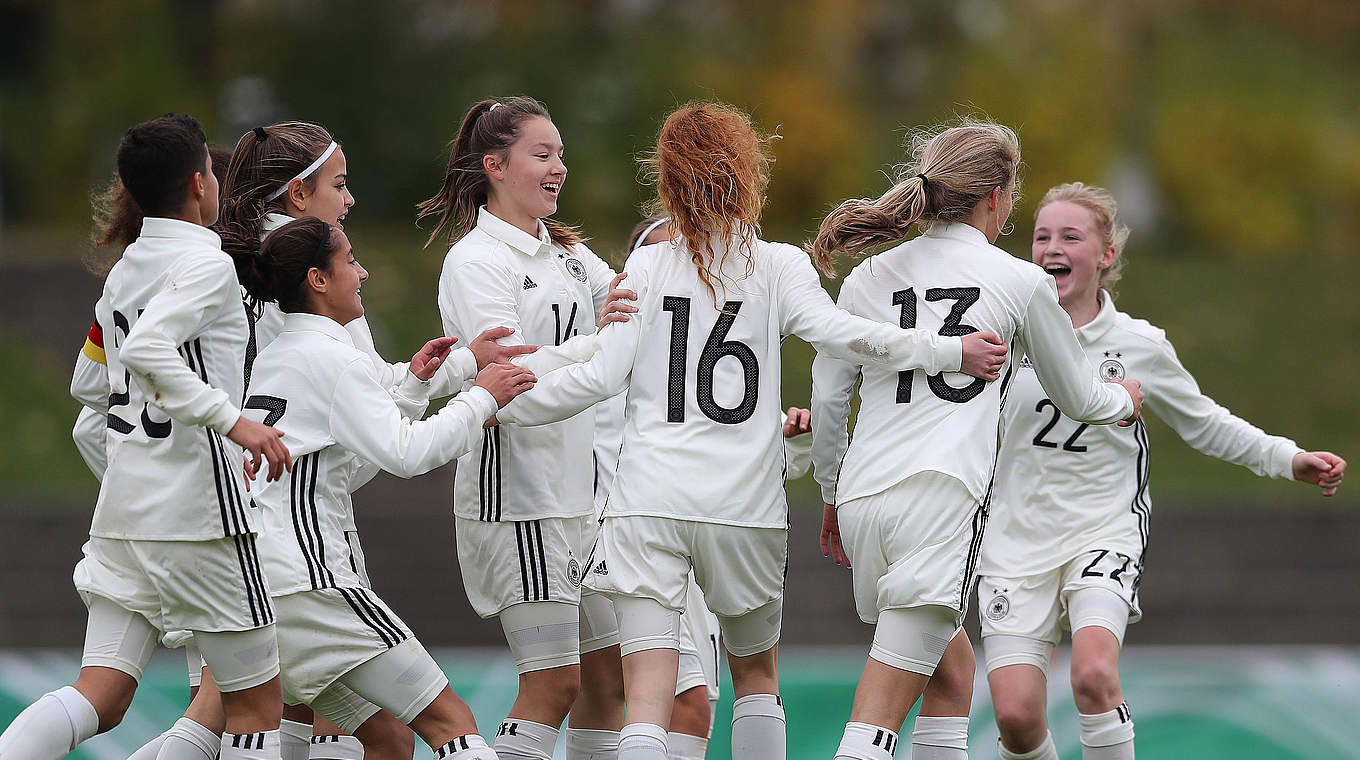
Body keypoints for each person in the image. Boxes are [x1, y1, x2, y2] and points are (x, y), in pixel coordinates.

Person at [488, 101, 1007, 760]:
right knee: (755, 677)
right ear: (747, 171)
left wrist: (496, 403)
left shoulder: (646, 268)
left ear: (668, 180)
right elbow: (844, 338)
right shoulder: (779, 265)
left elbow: (596, 378)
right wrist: (949, 351)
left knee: (648, 695)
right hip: (743, 509)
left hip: (648, 502)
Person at [975, 182, 1347, 760]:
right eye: (1041, 236)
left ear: (1105, 256)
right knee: (1017, 718)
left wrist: (1286, 457)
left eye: (1070, 237)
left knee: (1093, 674)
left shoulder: (1139, 345)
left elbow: (1205, 422)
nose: (1052, 248)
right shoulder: (1004, 336)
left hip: (1102, 530)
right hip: (1013, 541)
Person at [808, 121, 1143, 760]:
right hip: (938, 502)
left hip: (861, 501)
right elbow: (1077, 395)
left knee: (952, 675)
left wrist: (829, 489)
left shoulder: (866, 279)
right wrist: (1121, 401)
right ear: (996, 196)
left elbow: (829, 400)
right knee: (877, 712)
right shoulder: (1019, 280)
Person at [0, 114, 292, 760]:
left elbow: (87, 380)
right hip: (200, 515)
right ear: (198, 184)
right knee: (256, 705)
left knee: (99, 694)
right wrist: (235, 420)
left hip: (126, 509)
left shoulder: (126, 270)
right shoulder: (210, 267)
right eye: (213, 172)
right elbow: (155, 350)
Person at [238, 216, 542, 760]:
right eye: (350, 260)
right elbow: (407, 454)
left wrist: (427, 380)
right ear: (318, 279)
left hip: (262, 582)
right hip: (314, 586)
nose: (364, 272)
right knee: (451, 721)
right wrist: (483, 398)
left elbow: (355, 456)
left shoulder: (277, 357)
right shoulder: (333, 360)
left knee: (386, 738)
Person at [420, 96, 630, 760]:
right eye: (543, 154)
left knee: (611, 678)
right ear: (494, 166)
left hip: (581, 500)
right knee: (554, 683)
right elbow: (514, 390)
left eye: (561, 154)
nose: (559, 167)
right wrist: (605, 355)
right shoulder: (477, 262)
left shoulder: (565, 255)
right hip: (520, 503)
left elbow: (631, 305)